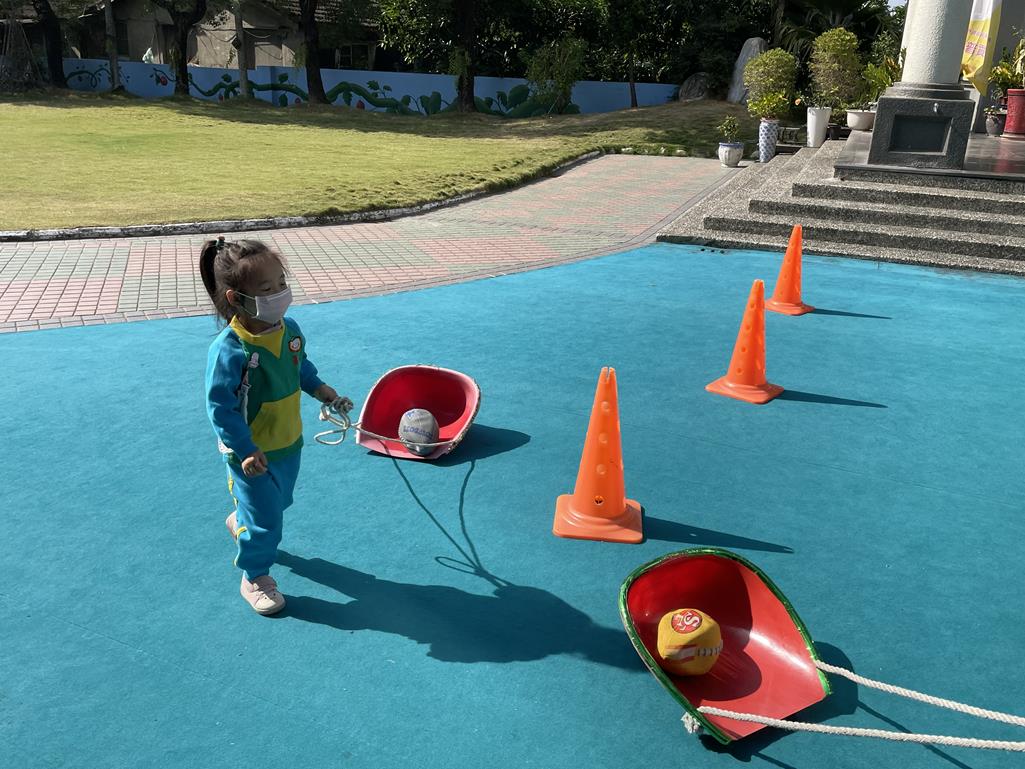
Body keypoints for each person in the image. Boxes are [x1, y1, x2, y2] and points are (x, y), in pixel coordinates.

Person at [199, 237, 352, 615]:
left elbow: (300, 367)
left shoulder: (289, 329)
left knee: (279, 504)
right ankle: (255, 576)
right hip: (252, 453)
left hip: (288, 442)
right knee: (268, 522)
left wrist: (322, 390)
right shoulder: (230, 349)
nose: (280, 293)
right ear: (237, 298)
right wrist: (245, 449)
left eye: (282, 283)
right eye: (267, 289)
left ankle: (244, 519)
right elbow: (221, 408)